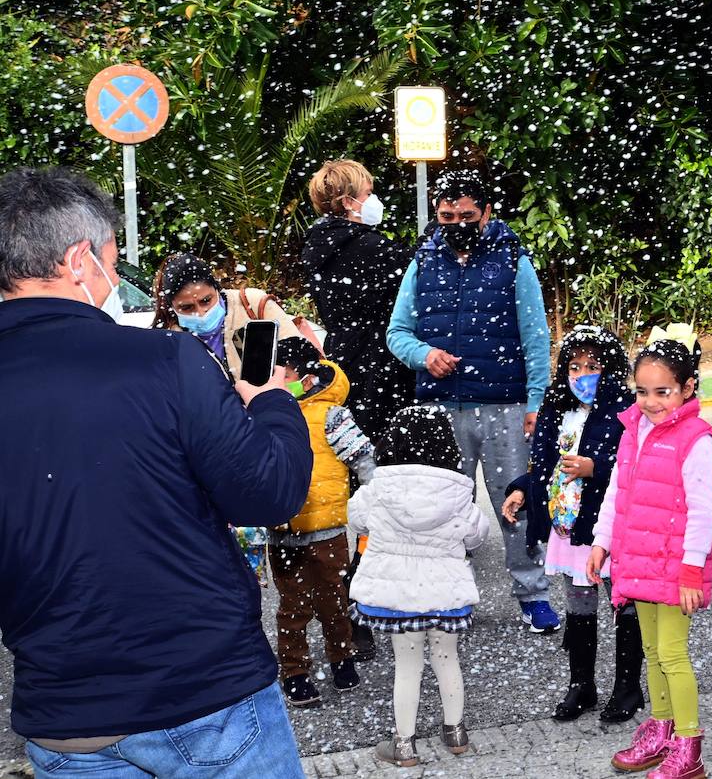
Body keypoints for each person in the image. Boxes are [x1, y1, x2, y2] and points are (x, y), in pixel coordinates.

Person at [0, 167, 312, 775]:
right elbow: (268, 493)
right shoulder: (165, 360)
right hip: (207, 694)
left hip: (65, 713)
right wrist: (271, 401)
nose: (117, 280)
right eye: (114, 263)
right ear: (79, 260)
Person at [386, 169, 557, 632]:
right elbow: (396, 333)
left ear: (486, 213)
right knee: (441, 510)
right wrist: (425, 355)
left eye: (466, 215)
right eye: (446, 215)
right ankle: (447, 596)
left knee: (515, 504)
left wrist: (536, 403)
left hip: (505, 404)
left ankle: (533, 593)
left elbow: (535, 338)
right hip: (441, 410)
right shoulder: (423, 261)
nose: (456, 223)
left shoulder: (513, 259)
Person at [587, 333, 712, 779]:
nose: (650, 401)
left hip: (676, 566)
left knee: (672, 653)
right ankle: (661, 728)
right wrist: (602, 543)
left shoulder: (696, 437)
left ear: (687, 388)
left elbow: (705, 511)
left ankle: (689, 744)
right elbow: (616, 493)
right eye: (641, 391)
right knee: (650, 649)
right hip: (637, 560)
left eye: (662, 391)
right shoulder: (633, 430)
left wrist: (691, 569)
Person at [501, 325, 643, 724]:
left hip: (610, 527)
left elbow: (635, 466)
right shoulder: (554, 410)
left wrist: (594, 468)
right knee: (580, 607)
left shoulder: (626, 411)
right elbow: (541, 465)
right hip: (569, 529)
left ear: (611, 368)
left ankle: (628, 686)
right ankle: (581, 684)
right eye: (574, 366)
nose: (582, 374)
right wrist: (521, 489)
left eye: (593, 365)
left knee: (624, 604)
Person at [349, 405, 490, 767]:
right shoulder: (457, 491)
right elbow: (477, 535)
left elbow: (356, 520)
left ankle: (405, 744)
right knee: (447, 659)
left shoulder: (378, 488)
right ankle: (456, 731)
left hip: (400, 596)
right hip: (444, 593)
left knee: (407, 665)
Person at [269, 337, 376, 708]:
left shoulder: (331, 416)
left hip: (326, 529)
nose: (275, 382)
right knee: (292, 606)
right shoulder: (266, 414)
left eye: (283, 374)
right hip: (281, 529)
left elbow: (364, 462)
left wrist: (376, 504)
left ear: (308, 378)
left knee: (333, 599)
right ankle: (295, 671)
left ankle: (341, 658)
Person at [301, 159, 415, 440]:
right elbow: (410, 275)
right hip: (381, 363)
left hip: (343, 355)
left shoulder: (316, 246)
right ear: (349, 202)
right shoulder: (369, 248)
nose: (373, 200)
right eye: (367, 194)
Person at [152, 251, 301, 379]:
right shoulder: (168, 341)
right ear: (172, 307)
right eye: (187, 307)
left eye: (206, 300)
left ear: (217, 289)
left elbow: (301, 358)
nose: (200, 312)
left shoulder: (252, 304)